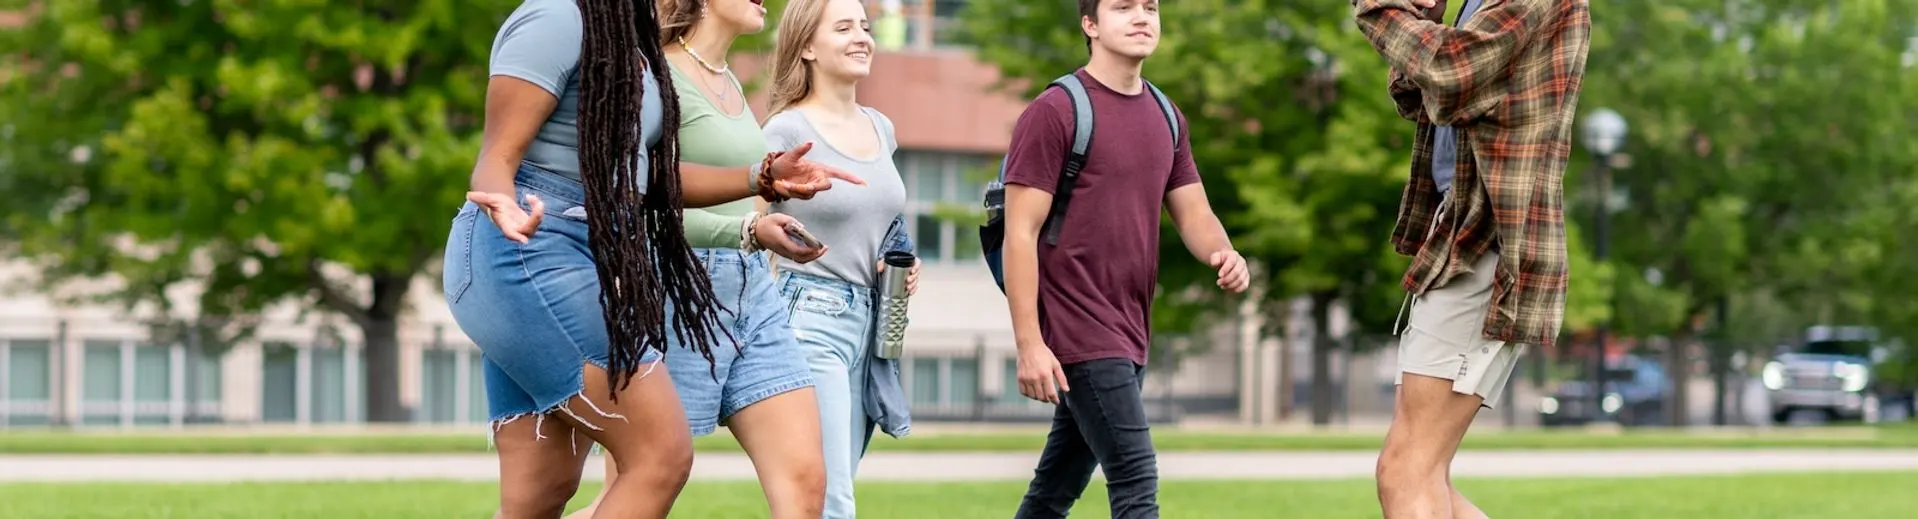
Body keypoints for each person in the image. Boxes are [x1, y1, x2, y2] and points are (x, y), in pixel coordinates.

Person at [442, 0, 860, 517]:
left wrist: (760, 178)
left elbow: (645, 180)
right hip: (528, 254)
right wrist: (503, 203)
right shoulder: (558, 16)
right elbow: (495, 159)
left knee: (541, 491)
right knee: (659, 455)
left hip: (586, 257)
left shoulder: (633, 40)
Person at [563, 1, 829, 518]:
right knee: (642, 487)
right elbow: (631, 201)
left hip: (753, 293)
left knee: (804, 482)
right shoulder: (651, 75)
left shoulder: (728, 78)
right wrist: (747, 229)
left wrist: (765, 218)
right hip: (672, 290)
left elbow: (739, 193)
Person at [1000, 1, 1248, 518]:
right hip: (1078, 326)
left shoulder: (1165, 114)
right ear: (1089, 25)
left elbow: (1194, 213)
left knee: (1053, 493)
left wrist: (1224, 253)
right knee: (1136, 477)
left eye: (1151, 7)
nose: (1142, 17)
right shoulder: (1056, 111)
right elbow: (1019, 233)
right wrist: (1030, 344)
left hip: (1131, 325)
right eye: (1123, 7)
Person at [1352, 0, 1590, 517]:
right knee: (1424, 476)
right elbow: (1421, 94)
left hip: (1486, 247)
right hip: (1458, 239)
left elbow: (1446, 68)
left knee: (1405, 472)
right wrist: (1428, 21)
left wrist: (1379, 10)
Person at [760, 0, 921, 516]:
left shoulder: (882, 127)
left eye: (866, 27)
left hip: (870, 321)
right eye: (844, 27)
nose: (862, 37)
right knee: (831, 501)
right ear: (807, 46)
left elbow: (883, 223)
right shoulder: (785, 131)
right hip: (806, 318)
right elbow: (749, 231)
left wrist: (902, 261)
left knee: (823, 495)